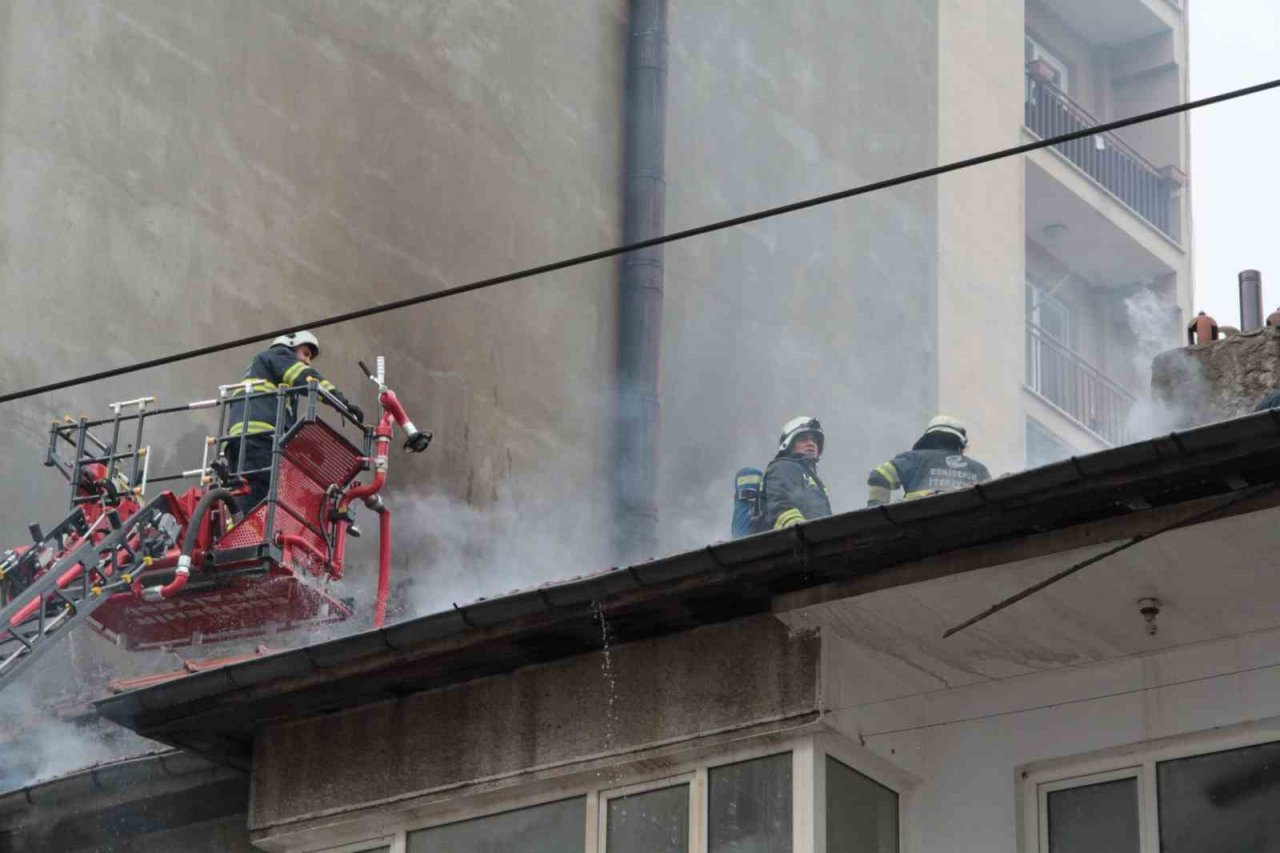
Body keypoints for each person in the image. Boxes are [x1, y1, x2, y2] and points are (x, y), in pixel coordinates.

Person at [221, 331, 363, 515]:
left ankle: (237, 527)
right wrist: (341, 402)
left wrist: (310, 450)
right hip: (260, 442)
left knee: (247, 495)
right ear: (289, 345)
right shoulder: (277, 355)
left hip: (238, 445)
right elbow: (306, 377)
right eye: (305, 353)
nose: (307, 361)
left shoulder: (272, 385)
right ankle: (243, 529)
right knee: (260, 496)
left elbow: (287, 431)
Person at [867, 415, 990, 507]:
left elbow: (880, 475)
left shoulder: (914, 459)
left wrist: (877, 510)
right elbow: (991, 498)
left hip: (917, 518)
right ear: (960, 444)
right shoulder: (978, 468)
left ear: (928, 438)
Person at [764, 416, 832, 530]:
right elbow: (780, 504)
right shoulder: (783, 467)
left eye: (814, 440)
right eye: (803, 439)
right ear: (789, 444)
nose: (811, 443)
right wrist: (799, 531)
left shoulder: (810, 477)